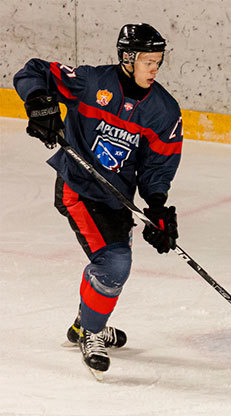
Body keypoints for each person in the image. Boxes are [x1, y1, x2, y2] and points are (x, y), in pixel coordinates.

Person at [13, 23, 183, 376]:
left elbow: (158, 165)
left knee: (114, 265)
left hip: (115, 199)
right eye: (148, 61)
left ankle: (84, 323)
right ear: (127, 58)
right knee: (114, 263)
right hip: (78, 187)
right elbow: (34, 71)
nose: (154, 68)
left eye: (158, 61)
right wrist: (39, 103)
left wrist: (156, 206)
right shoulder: (90, 83)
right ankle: (91, 332)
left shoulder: (164, 111)